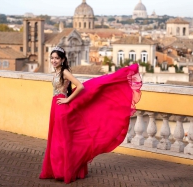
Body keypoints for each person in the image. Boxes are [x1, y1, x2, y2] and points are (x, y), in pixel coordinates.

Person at [39, 46, 142, 184]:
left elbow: (80, 86)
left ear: (63, 59)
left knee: (64, 141)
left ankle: (66, 171)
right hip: (55, 107)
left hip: (61, 108)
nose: (54, 60)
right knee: (56, 140)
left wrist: (68, 99)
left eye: (57, 58)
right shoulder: (56, 72)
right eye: (52, 58)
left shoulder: (64, 72)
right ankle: (59, 170)